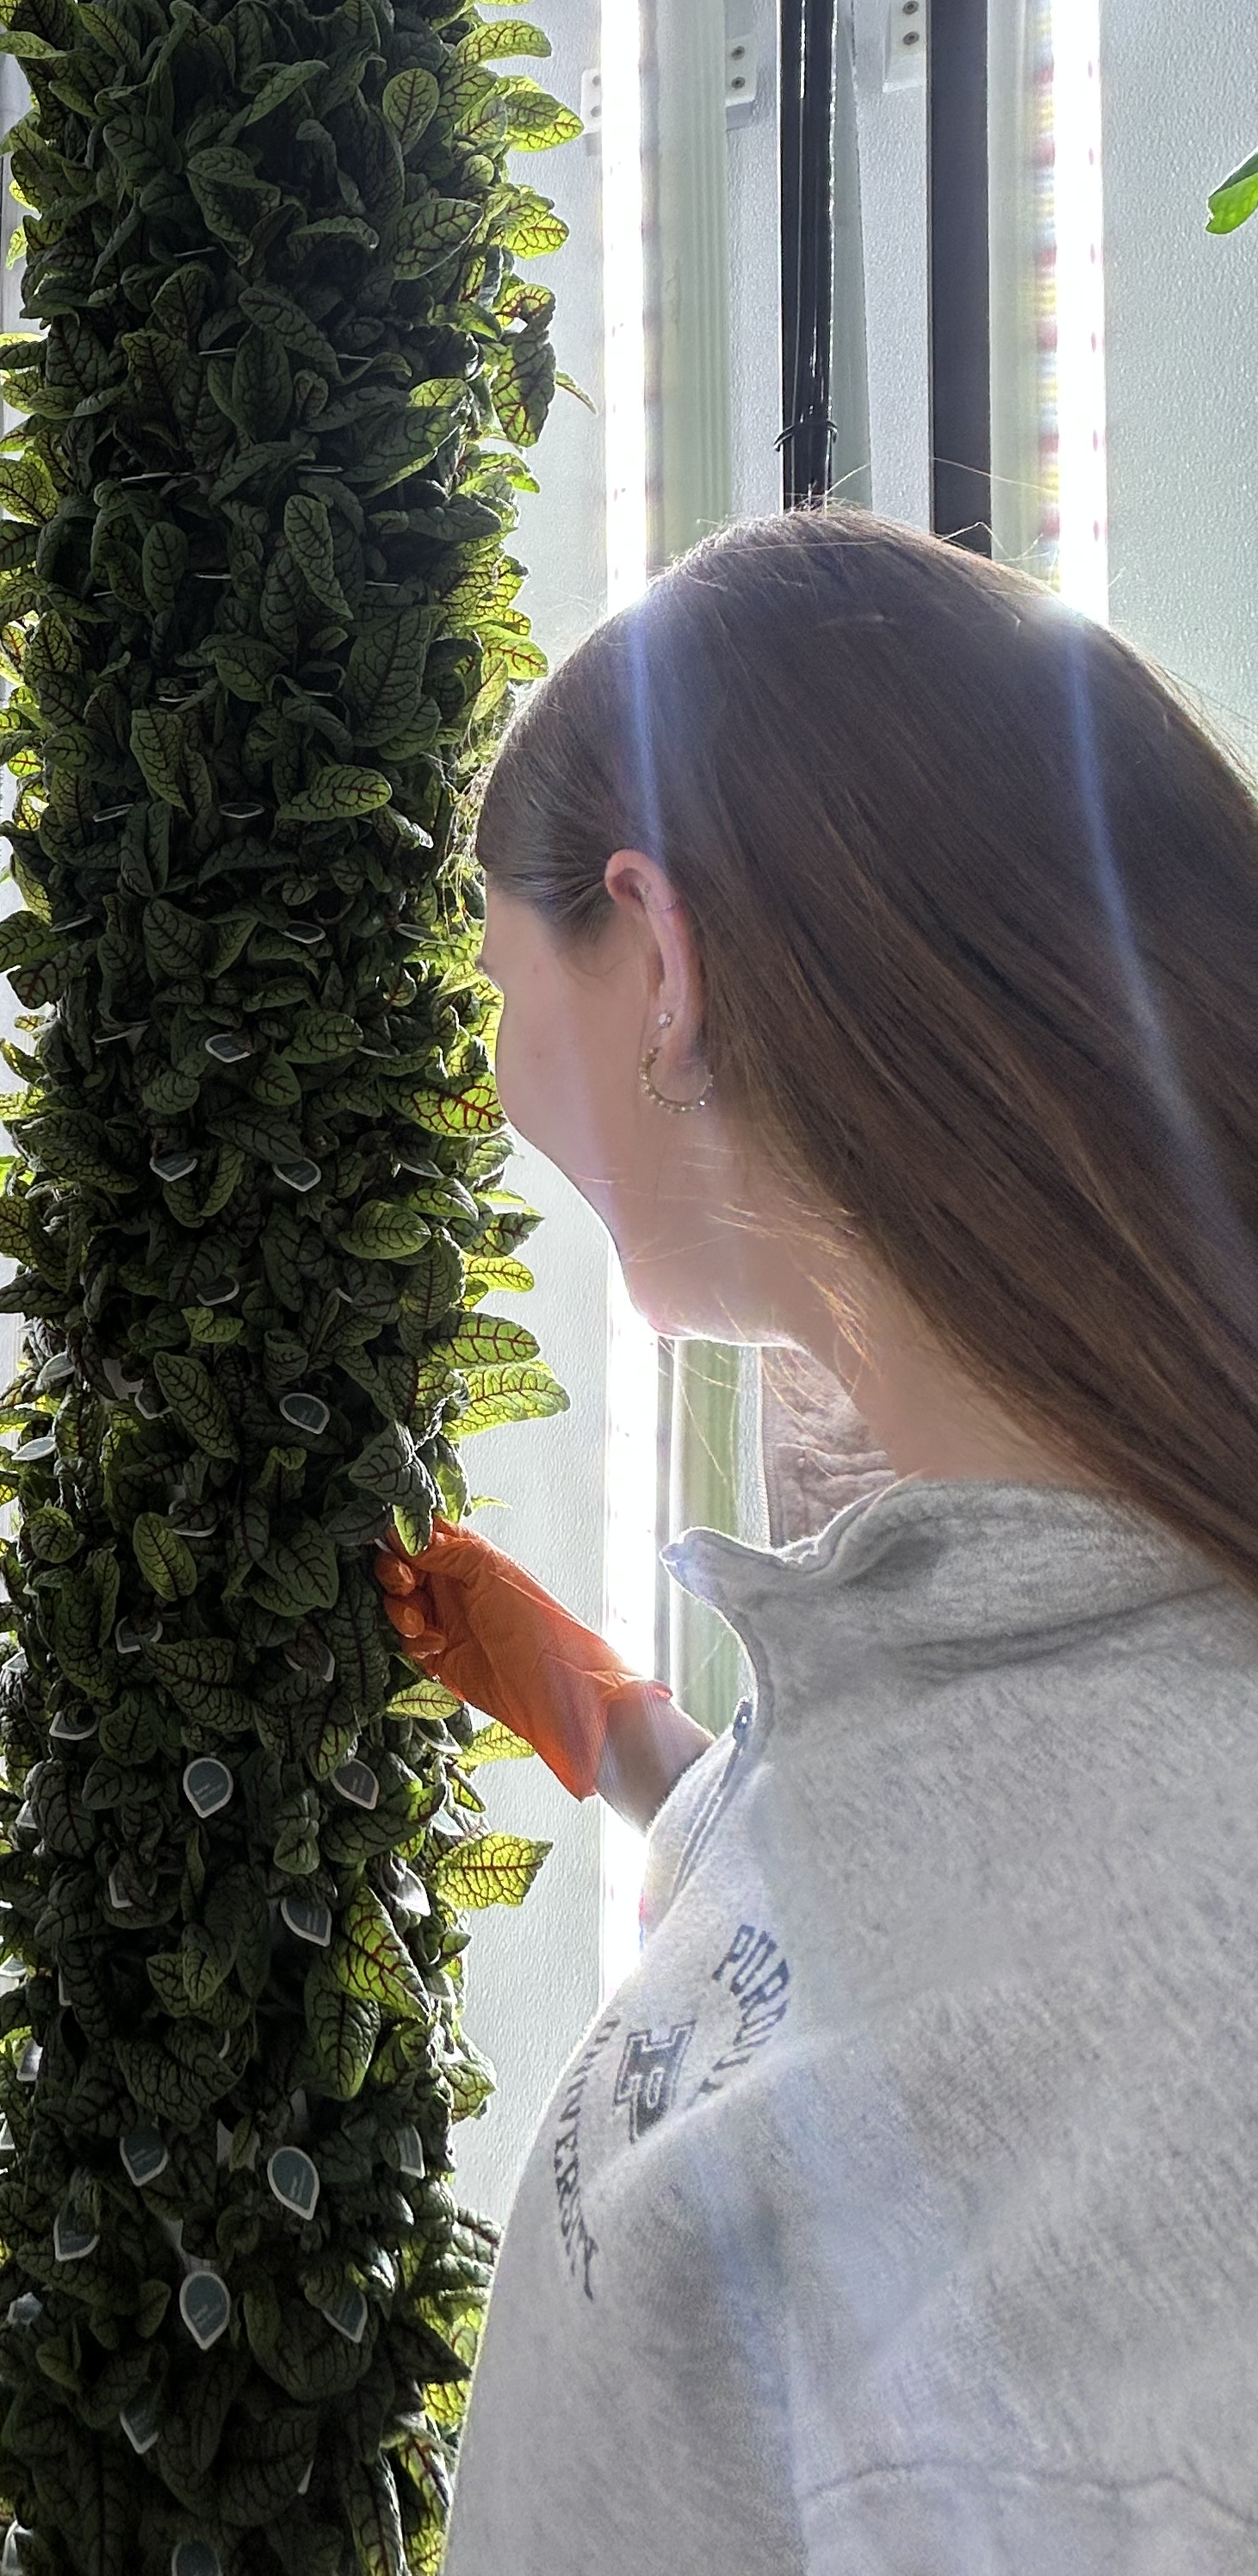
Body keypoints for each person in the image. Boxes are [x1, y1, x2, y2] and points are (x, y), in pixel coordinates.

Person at [371, 509, 1258, 2576]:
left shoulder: (1166, 2182)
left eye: (507, 992)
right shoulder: (1064, 1581)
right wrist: (635, 1753)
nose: (502, 1092)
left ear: (656, 960)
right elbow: (917, 1919)